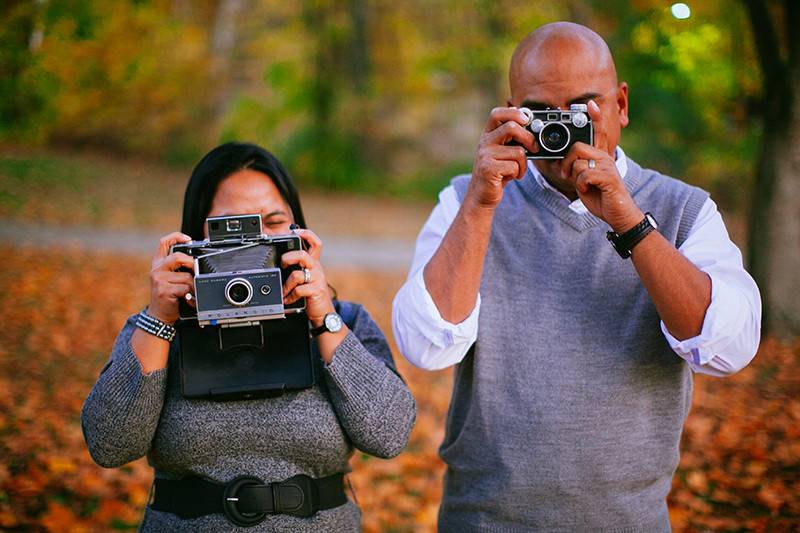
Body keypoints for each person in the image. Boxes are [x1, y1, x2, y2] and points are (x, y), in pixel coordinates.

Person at [392, 22, 761, 531]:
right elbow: (424, 346)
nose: (564, 128)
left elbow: (730, 347)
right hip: (484, 520)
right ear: (513, 112)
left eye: (584, 107)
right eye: (544, 113)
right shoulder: (467, 200)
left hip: (625, 521)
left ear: (622, 105)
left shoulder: (683, 210)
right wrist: (481, 203)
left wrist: (630, 222)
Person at [82, 142, 416, 531]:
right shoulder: (159, 329)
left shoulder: (345, 321)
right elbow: (109, 444)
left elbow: (389, 435)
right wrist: (160, 319)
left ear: (299, 230)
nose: (255, 243)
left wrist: (323, 318)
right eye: (232, 228)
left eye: (272, 223)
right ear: (194, 239)